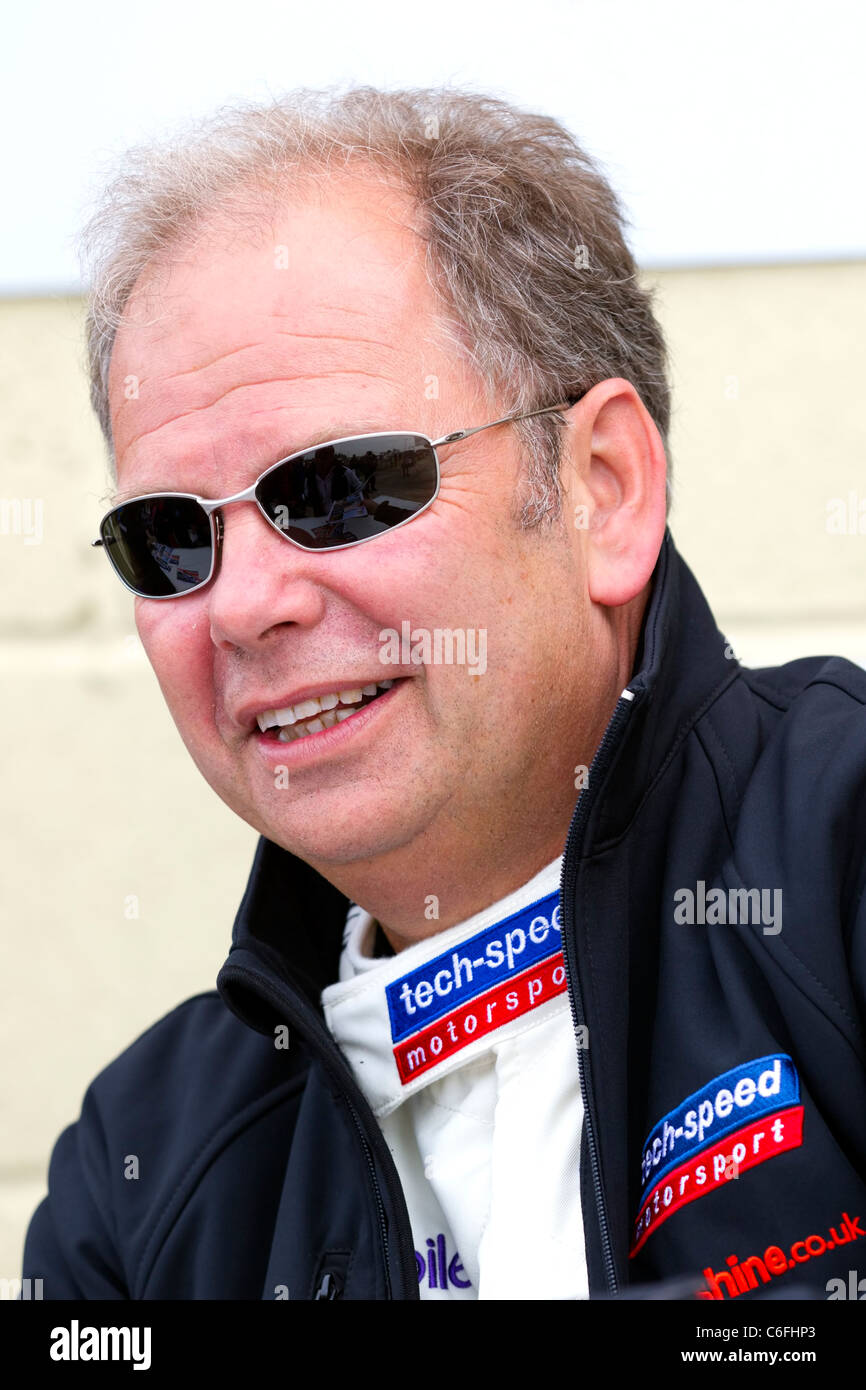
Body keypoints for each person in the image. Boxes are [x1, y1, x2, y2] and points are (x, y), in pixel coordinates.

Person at [23, 86, 866, 1301]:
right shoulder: (138, 1173)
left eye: (338, 489)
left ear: (603, 491)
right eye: (168, 539)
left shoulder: (838, 859)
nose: (246, 603)